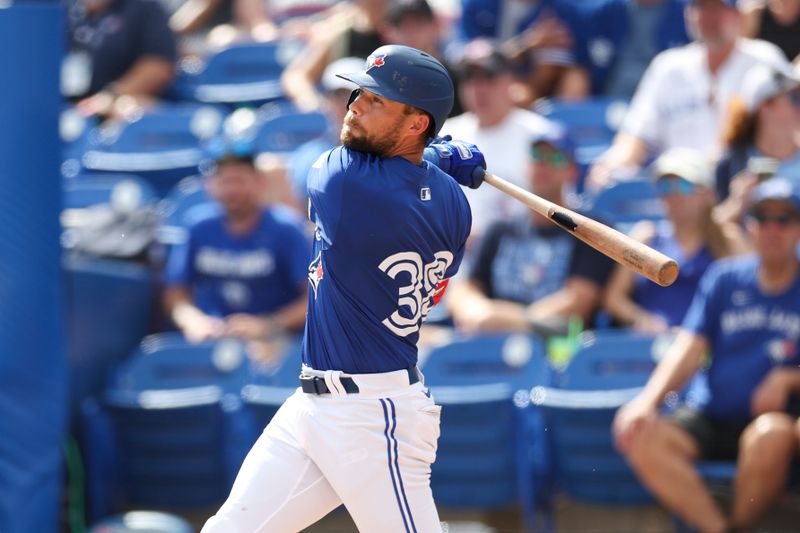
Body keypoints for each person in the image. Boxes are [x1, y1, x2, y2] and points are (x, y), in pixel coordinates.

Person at [201, 45, 486, 532]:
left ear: (417, 122)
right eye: (359, 92)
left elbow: (358, 173)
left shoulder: (344, 182)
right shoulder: (455, 206)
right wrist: (434, 159)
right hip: (315, 406)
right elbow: (416, 186)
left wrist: (436, 155)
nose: (355, 104)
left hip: (373, 417)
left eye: (377, 100)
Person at [613, 177, 800, 533]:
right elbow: (689, 347)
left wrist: (788, 377)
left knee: (771, 434)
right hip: (711, 413)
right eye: (763, 217)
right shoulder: (725, 278)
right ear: (750, 225)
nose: (772, 228)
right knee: (639, 433)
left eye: (785, 218)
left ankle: (737, 526)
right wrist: (647, 401)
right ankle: (719, 529)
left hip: (774, 422)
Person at [586, 0, 790, 192]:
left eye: (717, 8)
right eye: (701, 8)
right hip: (677, 189)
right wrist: (613, 163)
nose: (709, 18)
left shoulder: (765, 59)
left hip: (740, 185)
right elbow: (636, 135)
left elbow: (787, 131)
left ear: (738, 15)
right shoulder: (668, 66)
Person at [447, 123, 615, 335]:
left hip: (554, 345)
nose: (542, 165)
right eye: (536, 156)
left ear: (572, 171)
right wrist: (478, 314)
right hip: (494, 345)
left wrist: (499, 319)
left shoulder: (587, 230)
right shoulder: (500, 229)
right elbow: (465, 290)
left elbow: (577, 303)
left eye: (554, 158)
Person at [163, 143, 311, 344]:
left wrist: (270, 324)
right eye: (224, 181)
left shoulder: (287, 229)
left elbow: (314, 298)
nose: (232, 189)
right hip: (213, 339)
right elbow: (177, 293)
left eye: (239, 180)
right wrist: (193, 321)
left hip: (276, 340)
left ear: (259, 182)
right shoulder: (198, 227)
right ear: (209, 185)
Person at [602, 147, 741, 334]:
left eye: (683, 186)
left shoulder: (728, 239)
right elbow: (614, 298)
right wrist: (642, 320)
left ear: (706, 194)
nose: (673, 195)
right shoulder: (646, 236)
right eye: (665, 187)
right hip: (649, 346)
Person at [440, 37, 555, 242]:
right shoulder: (444, 136)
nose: (478, 88)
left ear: (510, 80)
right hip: (450, 258)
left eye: (489, 76)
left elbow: (556, 210)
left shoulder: (542, 136)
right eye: (469, 77)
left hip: (516, 258)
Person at [713, 62, 800, 227]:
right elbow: (711, 236)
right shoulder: (730, 164)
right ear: (765, 107)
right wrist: (737, 204)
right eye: (795, 97)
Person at [66, 0, 177, 117]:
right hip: (59, 103)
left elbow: (159, 66)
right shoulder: (65, 7)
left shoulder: (145, 8)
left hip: (109, 106)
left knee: (129, 108)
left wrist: (109, 96)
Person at [574, 0, 690, 99]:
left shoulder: (688, 12)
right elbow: (580, 59)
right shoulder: (605, 12)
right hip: (613, 95)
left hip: (666, 93)